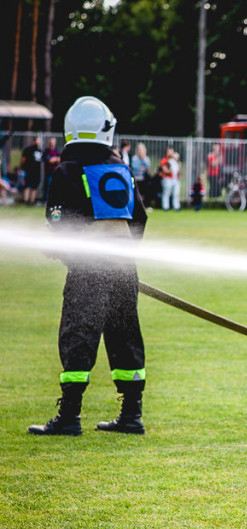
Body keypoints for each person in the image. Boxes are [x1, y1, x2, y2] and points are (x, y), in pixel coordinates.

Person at [28, 96, 149, 436]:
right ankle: (131, 415)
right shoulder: (121, 169)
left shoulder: (67, 170)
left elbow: (59, 220)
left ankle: (69, 416)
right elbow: (138, 220)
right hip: (124, 268)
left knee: (77, 335)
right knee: (125, 336)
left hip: (89, 271)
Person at [20, 136, 43, 205]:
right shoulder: (28, 149)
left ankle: (32, 201)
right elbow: (23, 159)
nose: (38, 142)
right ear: (34, 141)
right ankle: (26, 200)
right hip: (29, 170)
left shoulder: (40, 150)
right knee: (27, 185)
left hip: (37, 171)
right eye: (37, 140)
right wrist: (23, 168)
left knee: (34, 186)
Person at [43, 137, 62, 202]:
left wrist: (55, 159)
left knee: (55, 186)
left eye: (54, 142)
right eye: (51, 142)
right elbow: (50, 160)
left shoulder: (57, 150)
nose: (53, 143)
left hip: (55, 171)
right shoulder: (47, 151)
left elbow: (60, 159)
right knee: (48, 185)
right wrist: (55, 159)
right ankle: (46, 200)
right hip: (48, 172)